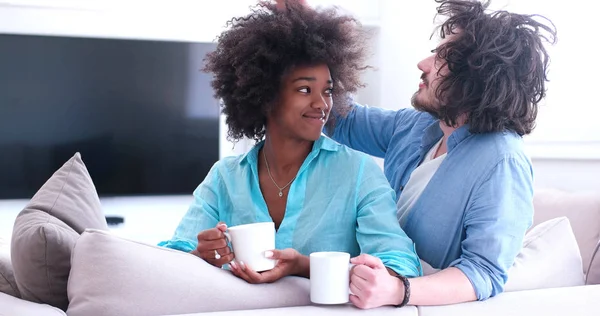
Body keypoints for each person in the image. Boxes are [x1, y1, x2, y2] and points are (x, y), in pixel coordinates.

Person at [158, 0, 421, 302]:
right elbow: (169, 258)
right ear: (266, 95)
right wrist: (200, 253)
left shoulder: (358, 173)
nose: (322, 104)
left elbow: (400, 267)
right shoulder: (225, 178)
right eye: (305, 90)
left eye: (328, 90)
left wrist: (305, 266)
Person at [315, 0, 557, 308]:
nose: (423, 64)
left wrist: (397, 290)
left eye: (441, 58)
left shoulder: (503, 161)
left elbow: (483, 272)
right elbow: (343, 120)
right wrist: (311, 32)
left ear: (476, 77)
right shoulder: (419, 125)